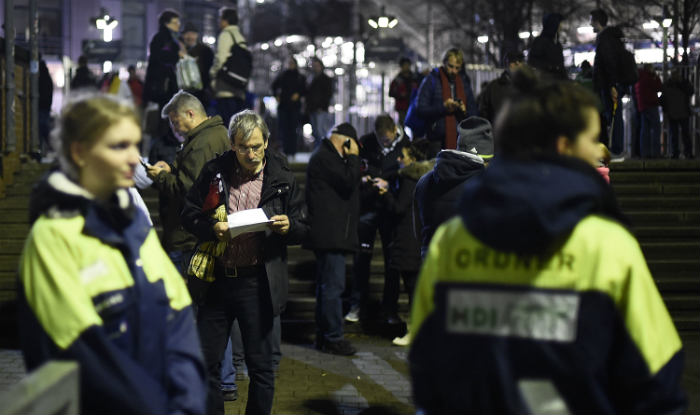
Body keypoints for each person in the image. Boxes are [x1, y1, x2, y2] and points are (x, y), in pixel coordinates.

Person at [409, 68, 687, 414]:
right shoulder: (604, 245)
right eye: (591, 138)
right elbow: (656, 377)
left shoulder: (453, 241)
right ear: (562, 147)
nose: (601, 150)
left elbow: (426, 363)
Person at [18, 94, 206, 414]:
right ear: (79, 152)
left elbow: (180, 324)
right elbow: (83, 353)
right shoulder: (52, 238)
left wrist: (187, 402)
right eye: (119, 146)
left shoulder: (135, 228)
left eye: (135, 144)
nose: (135, 159)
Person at [182, 110, 307, 415]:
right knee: (207, 362)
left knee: (261, 367)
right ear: (232, 145)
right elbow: (188, 213)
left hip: (257, 282)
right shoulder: (215, 171)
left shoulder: (282, 178)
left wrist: (289, 227)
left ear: (266, 141)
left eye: (256, 147)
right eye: (242, 148)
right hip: (218, 280)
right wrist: (211, 228)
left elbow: (305, 226)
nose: (250, 154)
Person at [146, 90, 230, 276]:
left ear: (190, 114)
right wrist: (170, 169)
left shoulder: (202, 143)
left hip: (188, 238)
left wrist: (159, 176)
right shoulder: (214, 134)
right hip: (198, 236)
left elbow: (187, 189)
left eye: (175, 122)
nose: (174, 129)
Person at [304, 122, 362, 356]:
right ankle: (333, 337)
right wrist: (354, 158)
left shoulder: (324, 157)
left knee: (327, 286)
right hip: (331, 235)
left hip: (331, 233)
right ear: (345, 141)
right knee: (333, 287)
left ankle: (324, 335)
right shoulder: (327, 157)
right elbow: (348, 182)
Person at [347, 115, 405, 323]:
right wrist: (365, 179)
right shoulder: (367, 142)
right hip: (369, 205)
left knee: (392, 261)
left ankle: (390, 309)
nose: (384, 144)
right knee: (361, 257)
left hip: (390, 206)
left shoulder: (405, 145)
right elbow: (358, 168)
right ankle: (356, 305)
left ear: (394, 131)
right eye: (381, 140)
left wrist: (389, 185)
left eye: (387, 140)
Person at [414, 116, 494, 260]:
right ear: (486, 160)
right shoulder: (486, 187)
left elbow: (419, 233)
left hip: (431, 267)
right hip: (468, 268)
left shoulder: (424, 182)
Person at [378, 138, 433, 346]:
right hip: (415, 239)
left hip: (408, 241)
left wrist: (386, 194)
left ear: (413, 159)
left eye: (402, 156)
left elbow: (399, 208)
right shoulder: (423, 179)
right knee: (415, 289)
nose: (398, 159)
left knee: (413, 290)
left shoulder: (409, 180)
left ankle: (414, 331)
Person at [416, 47, 477, 158]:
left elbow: (473, 111)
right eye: (450, 66)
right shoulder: (432, 80)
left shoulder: (463, 82)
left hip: (460, 139)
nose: (454, 71)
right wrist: (443, 107)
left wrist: (464, 111)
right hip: (436, 139)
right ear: (444, 63)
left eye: (457, 68)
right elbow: (420, 108)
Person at [590, 8, 626, 155]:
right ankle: (615, 148)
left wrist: (611, 85)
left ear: (597, 21)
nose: (590, 23)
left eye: (591, 20)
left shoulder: (604, 39)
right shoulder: (610, 38)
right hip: (611, 83)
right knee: (614, 115)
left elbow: (608, 62)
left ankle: (615, 149)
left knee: (612, 115)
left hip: (609, 84)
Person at [210, 7, 248, 125]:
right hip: (238, 88)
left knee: (225, 124)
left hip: (225, 88)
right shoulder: (240, 37)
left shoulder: (225, 35)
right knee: (235, 125)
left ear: (226, 20)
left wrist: (212, 73)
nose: (219, 21)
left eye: (220, 19)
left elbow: (220, 58)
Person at [144, 9, 185, 110]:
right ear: (166, 24)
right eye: (175, 22)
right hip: (163, 84)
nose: (178, 25)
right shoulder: (161, 38)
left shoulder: (174, 38)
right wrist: (177, 55)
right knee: (165, 114)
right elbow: (159, 56)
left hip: (168, 83)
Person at [271, 57, 307, 159]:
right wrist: (276, 96)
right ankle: (285, 150)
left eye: (292, 63)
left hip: (295, 107)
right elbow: (274, 86)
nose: (290, 65)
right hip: (283, 106)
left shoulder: (300, 77)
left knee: (293, 129)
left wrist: (298, 95)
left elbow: (304, 90)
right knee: (283, 129)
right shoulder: (282, 75)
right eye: (289, 63)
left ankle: (292, 151)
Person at [478, 50, 524, 123]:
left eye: (520, 61)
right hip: (498, 132)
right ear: (506, 64)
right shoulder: (493, 88)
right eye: (513, 61)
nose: (517, 63)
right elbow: (483, 114)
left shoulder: (529, 87)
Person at [662, 69, 694, 158]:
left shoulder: (667, 84)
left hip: (674, 113)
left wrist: (666, 109)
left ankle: (676, 153)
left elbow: (662, 99)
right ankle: (687, 152)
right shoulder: (684, 83)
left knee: (675, 135)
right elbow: (691, 91)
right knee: (684, 134)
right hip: (682, 112)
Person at [182, 22, 215, 109]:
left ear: (197, 35)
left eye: (192, 34)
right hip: (183, 93)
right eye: (187, 34)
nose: (190, 37)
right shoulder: (178, 51)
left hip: (201, 94)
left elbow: (210, 71)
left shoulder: (206, 51)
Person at [306, 56, 334, 149]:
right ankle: (318, 150)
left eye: (317, 65)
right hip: (312, 108)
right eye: (314, 66)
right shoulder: (311, 79)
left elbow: (328, 94)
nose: (315, 68)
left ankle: (322, 151)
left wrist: (322, 106)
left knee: (320, 131)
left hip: (320, 109)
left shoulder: (325, 79)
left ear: (321, 66)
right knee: (315, 131)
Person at [527, 13, 567, 79]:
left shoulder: (556, 43)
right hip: (545, 83)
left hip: (557, 83)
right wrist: (551, 68)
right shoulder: (540, 42)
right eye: (559, 24)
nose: (561, 27)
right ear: (553, 25)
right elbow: (533, 62)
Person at [635, 64, 662, 158]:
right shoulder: (649, 77)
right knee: (656, 129)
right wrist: (656, 76)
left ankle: (645, 153)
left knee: (645, 130)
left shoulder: (640, 77)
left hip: (642, 106)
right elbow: (658, 87)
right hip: (651, 105)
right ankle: (656, 153)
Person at [389, 57, 420, 126]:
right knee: (403, 124)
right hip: (402, 107)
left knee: (414, 125)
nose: (406, 67)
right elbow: (391, 93)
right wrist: (400, 95)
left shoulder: (414, 78)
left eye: (408, 65)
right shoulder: (397, 80)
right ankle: (404, 136)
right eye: (404, 65)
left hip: (413, 106)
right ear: (401, 66)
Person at [38, 58, 53, 157]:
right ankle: (49, 146)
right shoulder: (48, 78)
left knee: (41, 127)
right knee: (44, 126)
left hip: (41, 106)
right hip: (46, 106)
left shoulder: (40, 78)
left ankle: (45, 147)